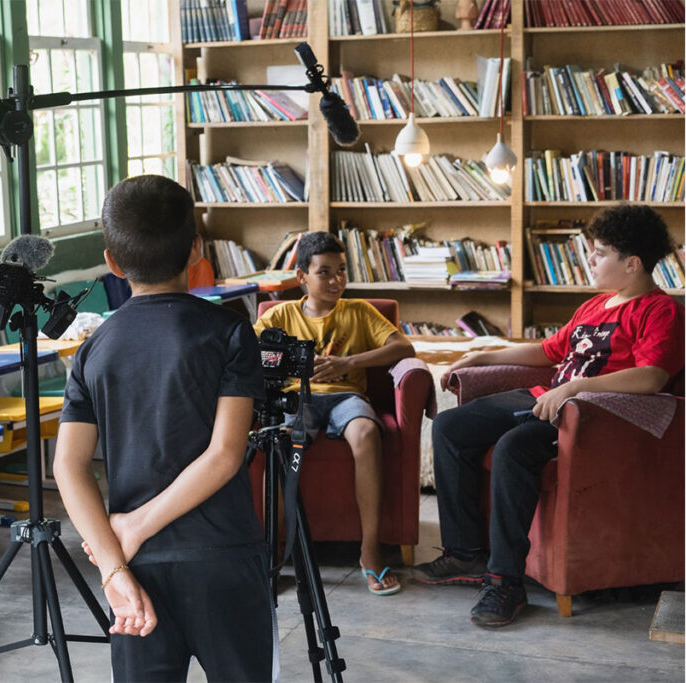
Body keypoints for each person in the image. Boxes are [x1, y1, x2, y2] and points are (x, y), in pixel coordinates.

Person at [412, 204, 685, 627]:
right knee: (450, 426)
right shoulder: (594, 307)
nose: (590, 260)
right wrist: (483, 355)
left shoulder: (661, 311)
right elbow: (547, 351)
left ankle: (505, 582)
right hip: (546, 397)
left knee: (513, 447)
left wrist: (575, 387)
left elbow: (651, 377)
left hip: (593, 419)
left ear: (631, 264)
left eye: (599, 253)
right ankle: (465, 554)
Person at [52, 174, 274, 682]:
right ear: (197, 250)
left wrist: (113, 567)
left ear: (111, 261)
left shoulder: (94, 348)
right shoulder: (230, 332)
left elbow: (68, 466)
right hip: (222, 557)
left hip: (136, 568)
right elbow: (225, 455)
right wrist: (134, 528)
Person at [253, 231, 415, 596]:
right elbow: (249, 355)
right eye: (324, 272)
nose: (336, 280)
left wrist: (349, 362)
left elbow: (403, 345)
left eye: (342, 270)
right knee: (281, 444)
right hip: (298, 399)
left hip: (346, 397)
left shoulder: (358, 311)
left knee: (367, 433)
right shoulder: (279, 315)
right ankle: (274, 552)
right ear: (302, 278)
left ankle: (370, 552)